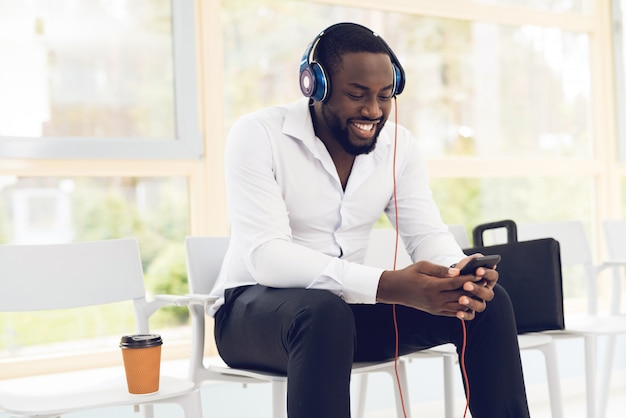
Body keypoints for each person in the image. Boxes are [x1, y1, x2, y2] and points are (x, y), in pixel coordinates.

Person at [210, 22, 531, 418]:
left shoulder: (399, 146)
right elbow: (266, 256)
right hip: (254, 318)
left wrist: (456, 275)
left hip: (346, 316)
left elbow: (425, 232)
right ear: (316, 87)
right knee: (322, 312)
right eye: (356, 95)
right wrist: (387, 285)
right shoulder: (258, 134)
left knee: (485, 304)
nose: (373, 111)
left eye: (385, 96)